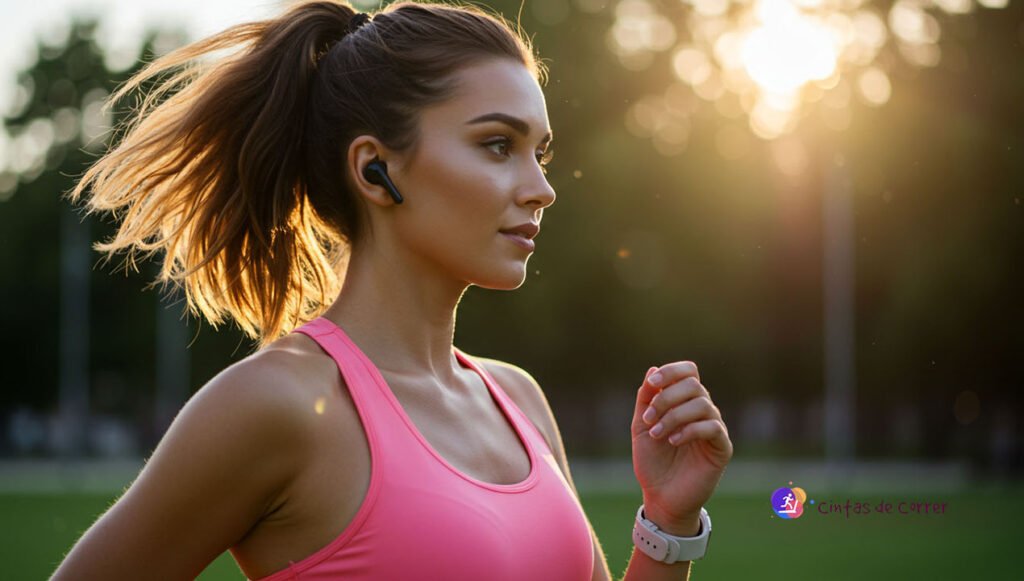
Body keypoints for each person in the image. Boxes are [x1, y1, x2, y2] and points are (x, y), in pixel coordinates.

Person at [52, 1, 733, 579]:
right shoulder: (275, 404)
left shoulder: (518, 399)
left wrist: (667, 520)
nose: (542, 189)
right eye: (498, 144)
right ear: (375, 170)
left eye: (541, 152)